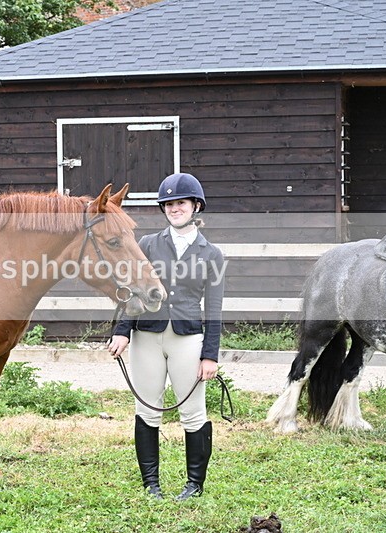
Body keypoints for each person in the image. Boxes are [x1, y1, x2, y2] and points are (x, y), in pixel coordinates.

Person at [107, 172, 225, 501]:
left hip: (188, 338)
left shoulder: (211, 253)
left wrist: (210, 355)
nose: (175, 208)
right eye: (169, 204)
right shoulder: (147, 245)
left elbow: (214, 308)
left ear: (195, 206)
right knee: (147, 410)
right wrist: (122, 332)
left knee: (193, 413)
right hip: (147, 335)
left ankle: (194, 485)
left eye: (181, 203)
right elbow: (131, 290)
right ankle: (151, 484)